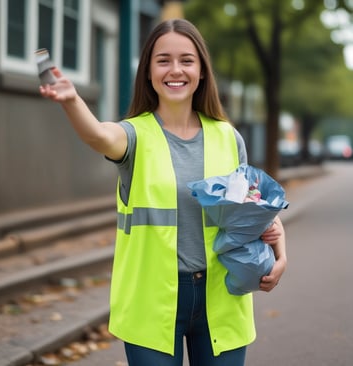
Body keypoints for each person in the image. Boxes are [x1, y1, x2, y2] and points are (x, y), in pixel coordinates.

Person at [40, 18, 286, 366]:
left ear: (201, 71)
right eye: (163, 60)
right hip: (151, 302)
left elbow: (259, 209)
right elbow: (97, 135)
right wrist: (71, 101)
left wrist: (282, 255)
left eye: (187, 60)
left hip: (222, 298)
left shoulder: (228, 138)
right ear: (148, 72)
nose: (175, 70)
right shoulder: (133, 136)